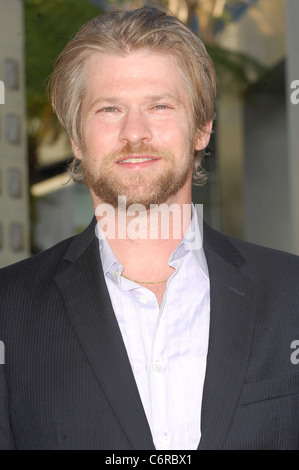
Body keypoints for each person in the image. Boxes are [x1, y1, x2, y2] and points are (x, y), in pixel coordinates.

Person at [0, 6, 299, 451]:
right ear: (77, 139)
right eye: (109, 108)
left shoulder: (291, 294)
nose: (134, 132)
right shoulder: (9, 310)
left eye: (159, 106)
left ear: (201, 128)